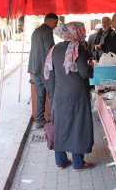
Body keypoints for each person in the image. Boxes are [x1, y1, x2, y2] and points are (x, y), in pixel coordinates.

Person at [44, 22, 94, 170]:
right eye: (81, 32)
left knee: (60, 124)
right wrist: (91, 67)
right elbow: (85, 72)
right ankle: (78, 163)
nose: (83, 35)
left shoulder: (54, 49)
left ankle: (60, 161)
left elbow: (50, 74)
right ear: (75, 33)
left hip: (60, 93)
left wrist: (53, 95)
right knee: (77, 125)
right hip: (77, 94)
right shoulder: (77, 48)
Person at [27, 13, 58, 128]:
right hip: (45, 68)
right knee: (52, 94)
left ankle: (39, 121)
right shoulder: (47, 31)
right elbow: (50, 50)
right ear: (49, 21)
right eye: (55, 22)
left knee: (40, 94)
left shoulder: (36, 31)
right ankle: (50, 121)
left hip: (35, 68)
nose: (55, 25)